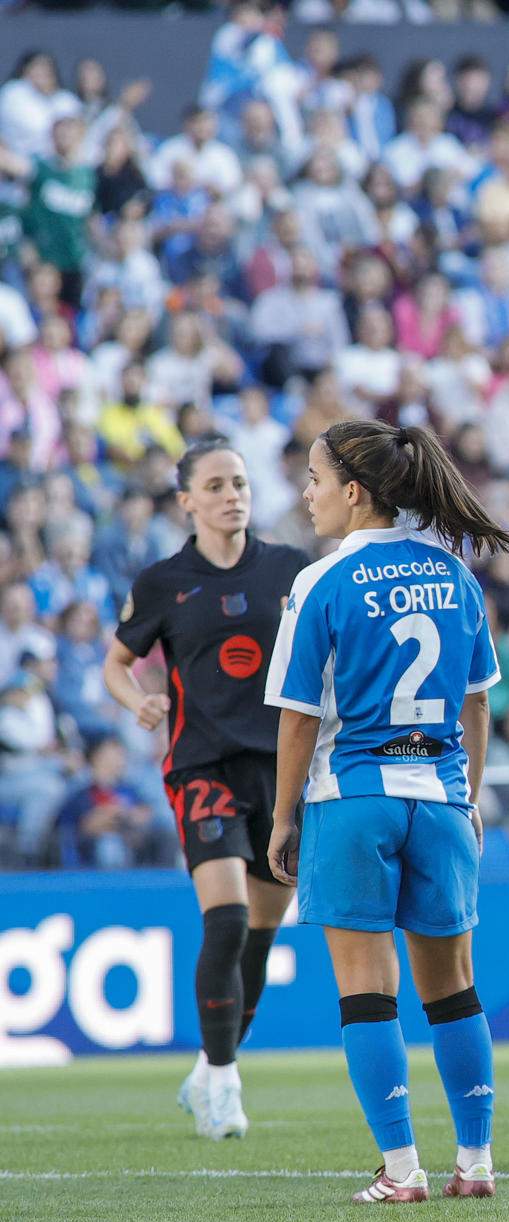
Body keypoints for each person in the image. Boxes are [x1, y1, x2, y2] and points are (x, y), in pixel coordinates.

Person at [263, 419, 509, 1204]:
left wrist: (281, 819)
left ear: (353, 490)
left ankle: (401, 1169)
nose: (305, 495)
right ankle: (475, 1163)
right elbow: (478, 702)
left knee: (368, 995)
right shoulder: (455, 576)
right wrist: (466, 792)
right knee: (455, 991)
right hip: (441, 800)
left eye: (313, 478)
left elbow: (301, 716)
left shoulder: (322, 582)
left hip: (354, 799)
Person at [102, 438, 307, 1140]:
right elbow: (116, 663)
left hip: (280, 771)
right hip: (202, 767)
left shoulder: (289, 569)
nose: (232, 495)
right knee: (224, 920)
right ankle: (224, 1083)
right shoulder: (164, 582)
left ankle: (211, 1065)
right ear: (186, 500)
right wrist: (137, 703)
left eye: (241, 483)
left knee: (258, 938)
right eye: (216, 485)